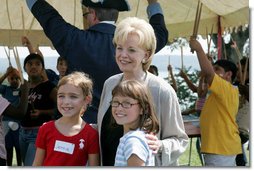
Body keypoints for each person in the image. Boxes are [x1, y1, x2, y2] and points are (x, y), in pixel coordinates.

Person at [25, 0, 168, 124]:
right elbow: (160, 34)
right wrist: (153, 3)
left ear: (92, 13)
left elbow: (48, 17)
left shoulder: (75, 40)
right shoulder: (135, 44)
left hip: (82, 125)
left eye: (86, 15)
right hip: (123, 123)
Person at [97, 16, 188, 166]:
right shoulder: (110, 84)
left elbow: (180, 140)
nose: (123, 55)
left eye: (131, 50)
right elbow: (106, 129)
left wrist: (160, 146)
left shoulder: (162, 91)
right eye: (119, 48)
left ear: (146, 55)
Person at [189, 37, 241, 166]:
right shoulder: (221, 92)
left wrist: (199, 49)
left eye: (217, 69)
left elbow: (208, 74)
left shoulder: (227, 89)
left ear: (228, 75)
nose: (213, 71)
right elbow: (208, 75)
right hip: (221, 148)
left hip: (221, 149)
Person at [33, 72, 99, 166]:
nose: (66, 102)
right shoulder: (45, 129)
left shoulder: (91, 134)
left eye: (73, 96)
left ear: (86, 100)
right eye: (61, 96)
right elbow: (36, 164)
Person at [19, 53, 57, 166]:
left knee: (30, 166)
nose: (33, 66)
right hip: (22, 132)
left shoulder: (49, 87)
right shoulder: (23, 87)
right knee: (25, 165)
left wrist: (42, 112)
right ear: (25, 68)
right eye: (30, 64)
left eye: (37, 64)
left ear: (42, 68)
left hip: (39, 133)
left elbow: (61, 109)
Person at [111, 80, 159, 166]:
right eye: (115, 102)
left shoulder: (133, 142)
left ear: (142, 108)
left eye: (127, 103)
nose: (119, 108)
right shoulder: (137, 136)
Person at [0, 80, 29, 166]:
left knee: (18, 148)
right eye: (12, 78)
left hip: (17, 125)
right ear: (9, 80)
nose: (15, 80)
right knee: (9, 148)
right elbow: (20, 113)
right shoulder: (6, 89)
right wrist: (25, 91)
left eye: (17, 78)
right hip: (7, 124)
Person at [234, 57, 249, 166]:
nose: (239, 73)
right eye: (238, 69)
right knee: (238, 157)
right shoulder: (236, 86)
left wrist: (247, 92)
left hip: (243, 131)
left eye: (243, 71)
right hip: (234, 128)